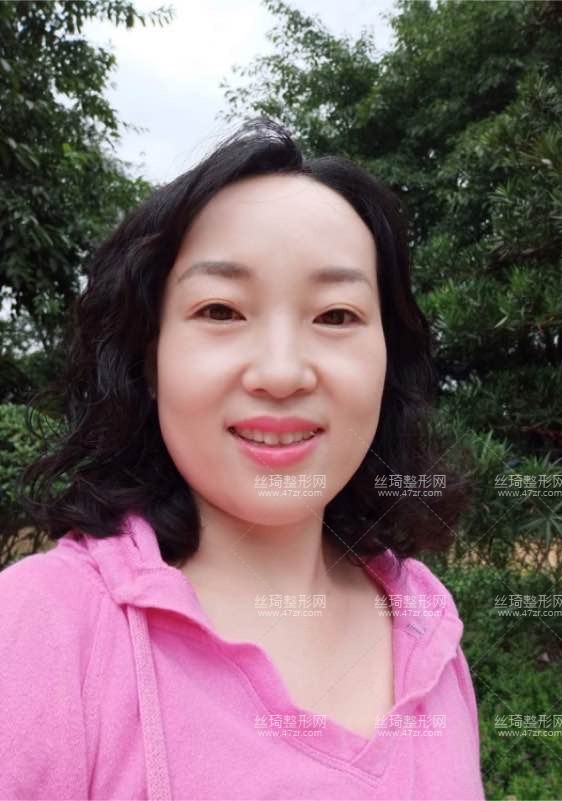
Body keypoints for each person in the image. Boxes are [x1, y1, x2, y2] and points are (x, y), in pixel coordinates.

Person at [0, 118, 485, 800]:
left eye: (336, 315)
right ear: (150, 357)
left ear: (387, 360)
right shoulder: (42, 628)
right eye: (222, 311)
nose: (282, 373)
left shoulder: (426, 622)